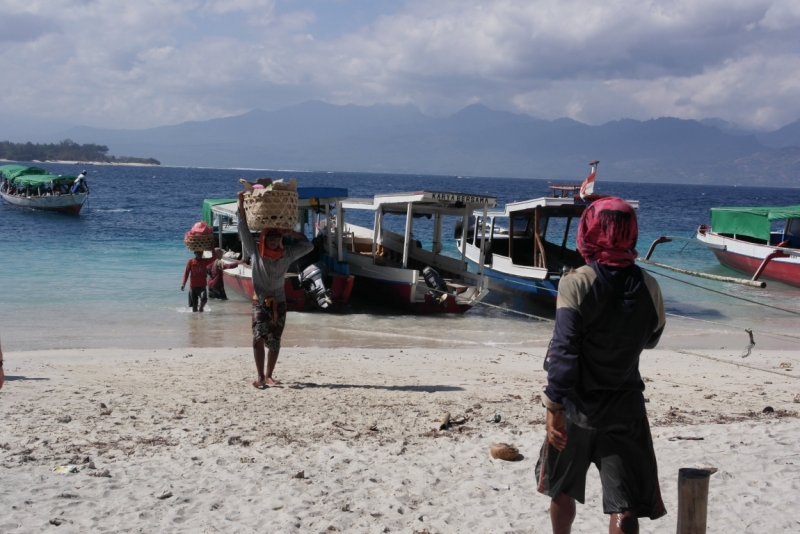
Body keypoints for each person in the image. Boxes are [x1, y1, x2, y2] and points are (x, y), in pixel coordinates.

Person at [535, 197, 667, 534]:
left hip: (577, 409)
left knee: (562, 489)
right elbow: (651, 338)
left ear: (589, 232)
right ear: (631, 234)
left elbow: (564, 353)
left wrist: (553, 408)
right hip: (625, 409)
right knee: (624, 503)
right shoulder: (649, 285)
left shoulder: (576, 282)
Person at [237, 191, 312, 388]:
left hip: (279, 302)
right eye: (269, 238)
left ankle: (269, 375)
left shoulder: (286, 254)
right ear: (263, 238)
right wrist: (240, 203)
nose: (272, 241)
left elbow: (308, 246)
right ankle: (260, 376)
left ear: (279, 239)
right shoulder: (255, 253)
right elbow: (243, 229)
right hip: (260, 300)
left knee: (275, 340)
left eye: (275, 238)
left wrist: (290, 232)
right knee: (258, 338)